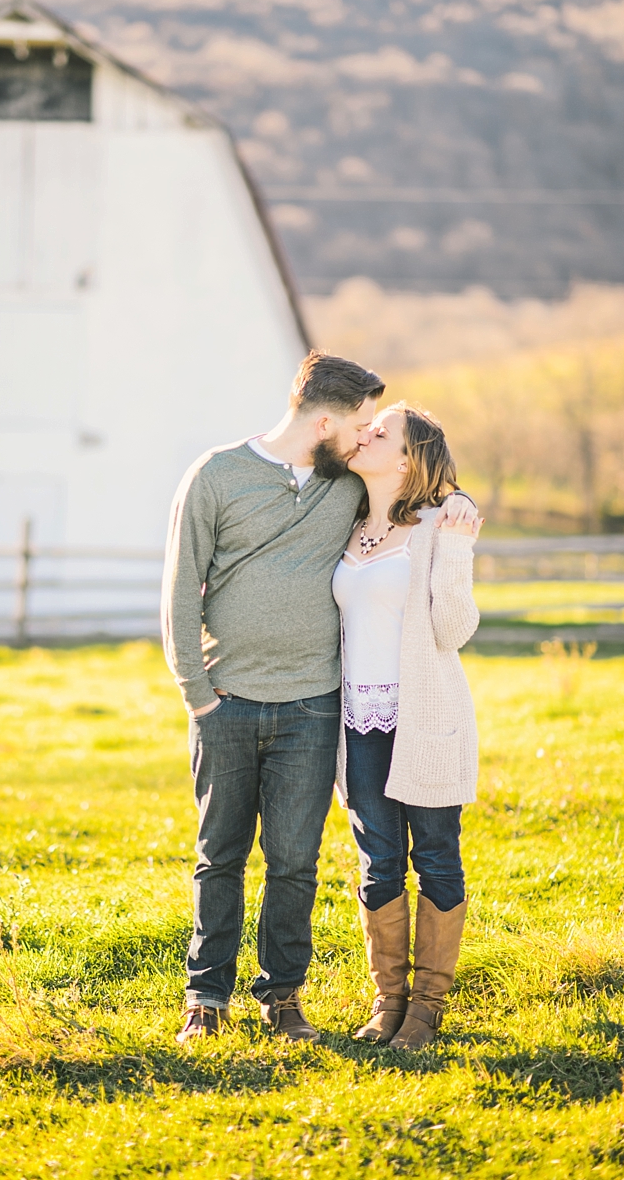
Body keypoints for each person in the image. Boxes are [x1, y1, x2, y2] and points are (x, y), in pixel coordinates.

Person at [162, 354, 478, 1044]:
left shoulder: (388, 505)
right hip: (259, 705)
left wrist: (457, 517)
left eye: (377, 431)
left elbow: (442, 575)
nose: (365, 437)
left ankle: (317, 1000)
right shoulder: (239, 481)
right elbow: (183, 591)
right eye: (362, 425)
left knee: (308, 860)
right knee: (229, 855)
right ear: (330, 420)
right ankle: (213, 999)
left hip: (339, 711)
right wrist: (197, 694)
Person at [333, 401, 481, 1050]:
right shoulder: (342, 523)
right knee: (377, 862)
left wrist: (455, 547)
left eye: (380, 430)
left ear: (406, 457)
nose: (365, 433)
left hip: (424, 720)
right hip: (359, 719)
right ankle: (387, 1000)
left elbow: (455, 629)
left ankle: (425, 1008)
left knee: (438, 858)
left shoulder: (436, 526)